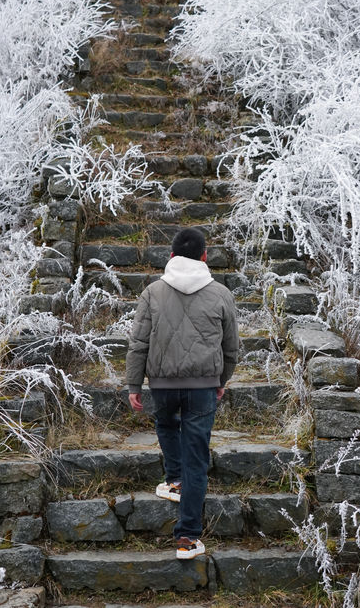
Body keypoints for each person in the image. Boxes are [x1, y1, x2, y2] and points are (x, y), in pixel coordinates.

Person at [126, 227, 239, 560]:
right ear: (205, 257)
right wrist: (222, 379)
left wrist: (134, 385)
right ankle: (187, 538)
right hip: (203, 386)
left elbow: (138, 344)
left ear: (171, 257)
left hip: (162, 384)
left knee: (165, 424)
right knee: (197, 458)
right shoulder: (221, 294)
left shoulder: (152, 292)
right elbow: (231, 348)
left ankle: (173, 479)